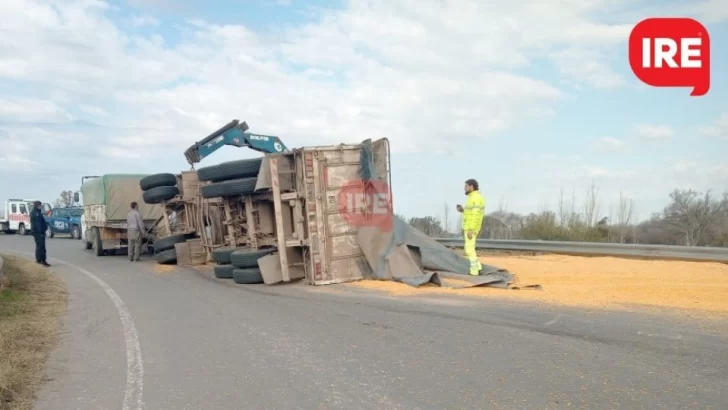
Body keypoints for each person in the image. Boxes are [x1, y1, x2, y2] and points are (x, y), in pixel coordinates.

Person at [456, 179, 486, 275]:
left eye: (466, 186)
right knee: (470, 249)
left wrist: (471, 229)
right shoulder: (471, 197)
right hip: (468, 227)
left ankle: (474, 271)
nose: (464, 188)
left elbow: (475, 215)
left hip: (471, 228)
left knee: (469, 249)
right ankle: (478, 267)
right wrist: (462, 210)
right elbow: (470, 213)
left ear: (471, 186)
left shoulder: (476, 198)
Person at [30, 201, 51, 267]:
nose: (41, 206)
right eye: (39, 205)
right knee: (41, 247)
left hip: (37, 233)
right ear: (37, 206)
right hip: (39, 233)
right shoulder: (36, 213)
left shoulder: (36, 212)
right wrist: (40, 233)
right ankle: (43, 261)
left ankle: (38, 260)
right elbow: (38, 224)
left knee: (38, 247)